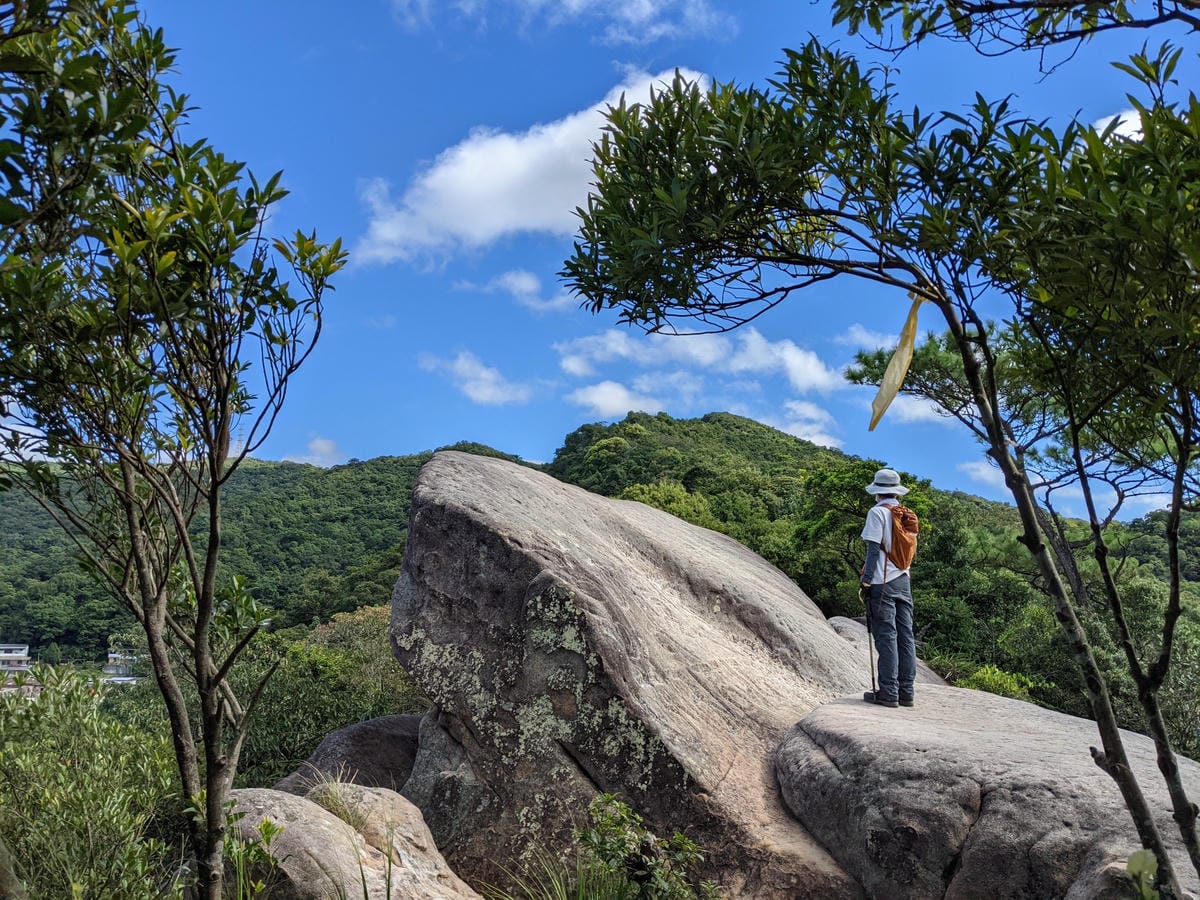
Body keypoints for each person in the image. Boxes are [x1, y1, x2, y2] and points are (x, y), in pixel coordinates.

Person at [860, 467, 916, 708]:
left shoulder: (877, 513)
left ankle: (888, 692)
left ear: (877, 492)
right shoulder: (907, 515)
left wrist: (866, 581)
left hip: (883, 582)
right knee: (906, 636)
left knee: (886, 636)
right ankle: (907, 692)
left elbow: (873, 551)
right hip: (904, 580)